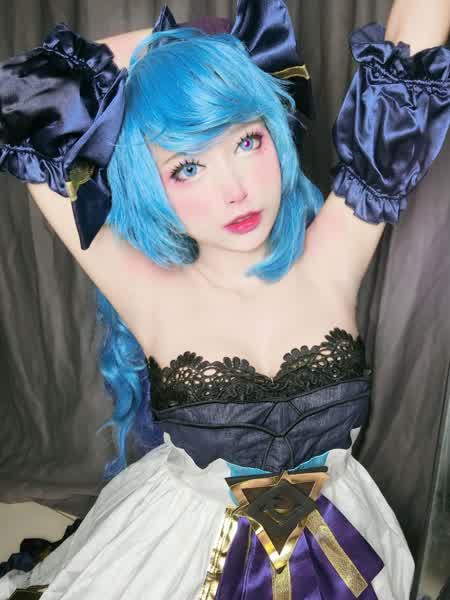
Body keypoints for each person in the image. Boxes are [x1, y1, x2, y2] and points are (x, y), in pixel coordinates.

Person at [0, 0, 449, 598]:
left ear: (276, 133)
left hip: (344, 547)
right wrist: (179, 46)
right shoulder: (148, 290)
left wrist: (226, 58)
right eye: (187, 168)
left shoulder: (334, 256)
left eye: (247, 142)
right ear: (148, 184)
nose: (234, 190)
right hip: (180, 552)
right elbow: (21, 101)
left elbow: (412, 53)